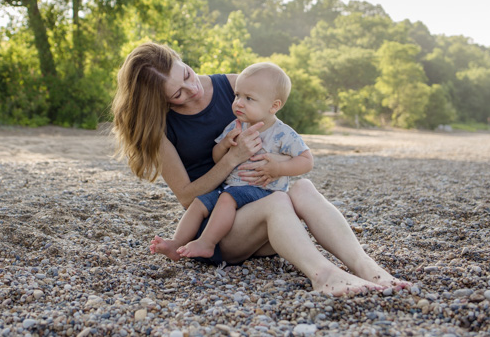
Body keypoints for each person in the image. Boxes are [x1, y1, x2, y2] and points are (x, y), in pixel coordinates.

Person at [111, 42, 410, 295]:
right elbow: (188, 198)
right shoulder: (160, 129)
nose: (193, 89)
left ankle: (366, 268)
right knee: (277, 201)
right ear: (159, 100)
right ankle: (324, 276)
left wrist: (277, 166)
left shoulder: (234, 86)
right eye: (177, 94)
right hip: (218, 229)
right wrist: (231, 158)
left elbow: (275, 132)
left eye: (187, 74)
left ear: (181, 59)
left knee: (303, 187)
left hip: (264, 216)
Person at [151, 61, 313, 261]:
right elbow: (216, 157)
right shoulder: (235, 126)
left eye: (248, 98)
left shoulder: (283, 133)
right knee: (199, 203)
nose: (239, 102)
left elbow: (306, 161)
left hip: (258, 189)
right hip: (230, 186)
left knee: (228, 199)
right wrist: (225, 146)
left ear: (274, 106)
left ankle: (206, 243)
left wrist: (278, 167)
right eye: (237, 96)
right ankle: (177, 243)